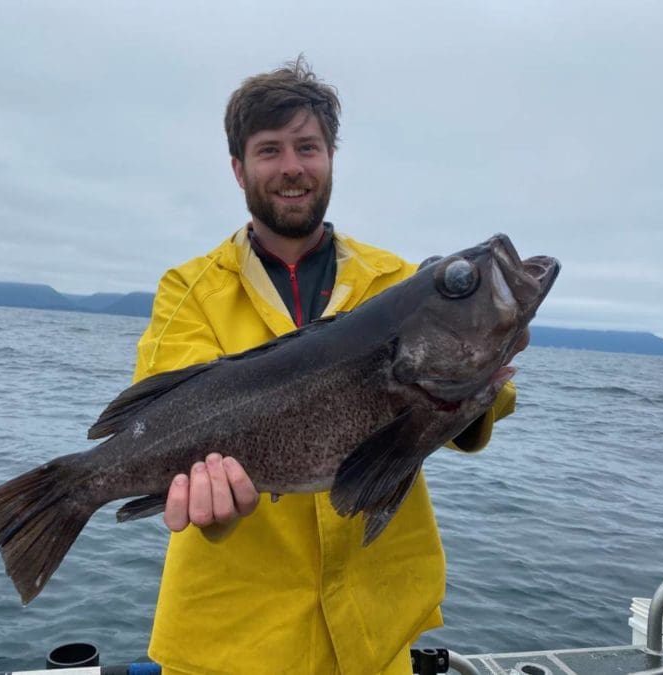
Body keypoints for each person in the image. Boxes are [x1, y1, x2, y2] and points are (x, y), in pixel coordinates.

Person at [132, 57, 521, 675]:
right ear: (238, 169)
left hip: (376, 638)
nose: (292, 167)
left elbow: (456, 413)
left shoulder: (396, 281)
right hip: (228, 642)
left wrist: (489, 374)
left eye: (308, 146)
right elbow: (167, 430)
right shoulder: (188, 290)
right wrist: (208, 505)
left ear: (331, 156)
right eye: (269, 150)